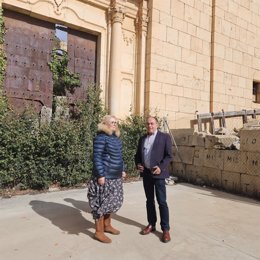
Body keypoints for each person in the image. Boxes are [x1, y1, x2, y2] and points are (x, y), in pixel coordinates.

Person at [87, 115, 126, 243]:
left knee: (112, 202)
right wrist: (100, 175)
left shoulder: (115, 138)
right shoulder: (100, 138)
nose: (114, 124)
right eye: (112, 122)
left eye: (116, 122)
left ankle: (107, 225)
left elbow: (119, 157)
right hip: (105, 176)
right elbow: (97, 157)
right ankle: (99, 232)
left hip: (115, 176)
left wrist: (122, 170)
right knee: (101, 203)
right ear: (105, 124)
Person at [135, 116, 173, 243]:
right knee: (149, 200)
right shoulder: (142, 138)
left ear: (157, 124)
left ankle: (165, 229)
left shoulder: (165, 137)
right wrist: (138, 164)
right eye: (148, 123)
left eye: (152, 123)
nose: (150, 126)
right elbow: (137, 156)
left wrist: (161, 168)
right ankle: (151, 224)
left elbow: (169, 156)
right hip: (146, 174)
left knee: (162, 201)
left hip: (159, 174)